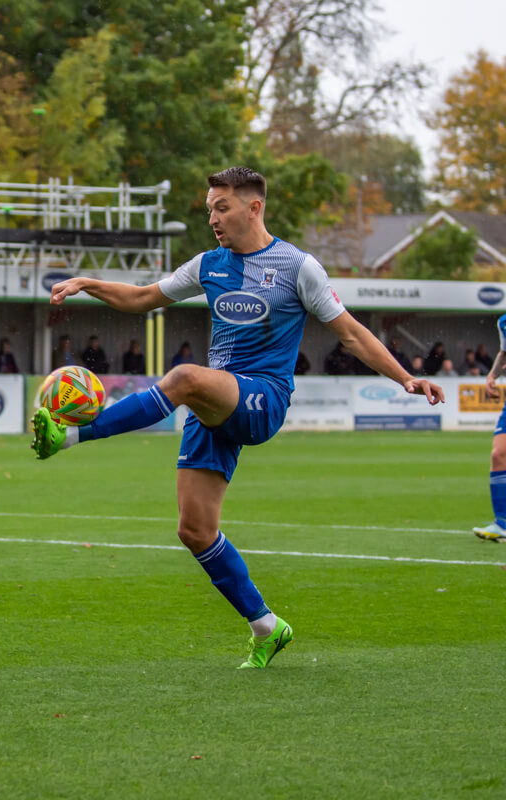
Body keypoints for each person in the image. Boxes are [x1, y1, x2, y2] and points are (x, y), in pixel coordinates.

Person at [31, 166, 442, 669]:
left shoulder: (298, 267)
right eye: (209, 209)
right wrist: (87, 283)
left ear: (254, 207)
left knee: (183, 378)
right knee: (195, 530)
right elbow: (142, 298)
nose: (213, 218)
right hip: (216, 404)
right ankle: (266, 626)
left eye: (221, 207)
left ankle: (71, 436)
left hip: (262, 399)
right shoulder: (209, 265)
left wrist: (406, 378)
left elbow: (352, 334)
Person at [473, 315, 506, 542]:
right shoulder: (503, 322)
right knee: (498, 455)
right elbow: (504, 352)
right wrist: (493, 374)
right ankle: (502, 523)